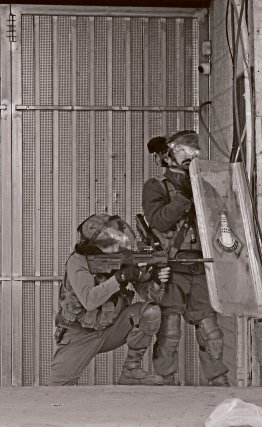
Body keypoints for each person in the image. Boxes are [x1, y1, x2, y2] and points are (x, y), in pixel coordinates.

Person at [143, 130, 229, 386]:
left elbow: (222, 222)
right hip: (173, 265)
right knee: (169, 331)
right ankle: (165, 380)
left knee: (210, 331)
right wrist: (185, 196)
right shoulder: (156, 186)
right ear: (168, 157)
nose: (190, 156)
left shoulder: (205, 187)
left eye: (193, 152)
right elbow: (159, 220)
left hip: (202, 266)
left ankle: (217, 381)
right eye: (183, 152)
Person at [49, 214, 170, 386]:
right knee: (56, 389)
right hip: (78, 335)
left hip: (110, 330)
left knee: (150, 312)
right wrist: (120, 278)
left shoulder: (122, 259)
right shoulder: (78, 261)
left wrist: (157, 281)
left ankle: (131, 370)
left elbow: (151, 297)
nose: (119, 246)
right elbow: (89, 300)